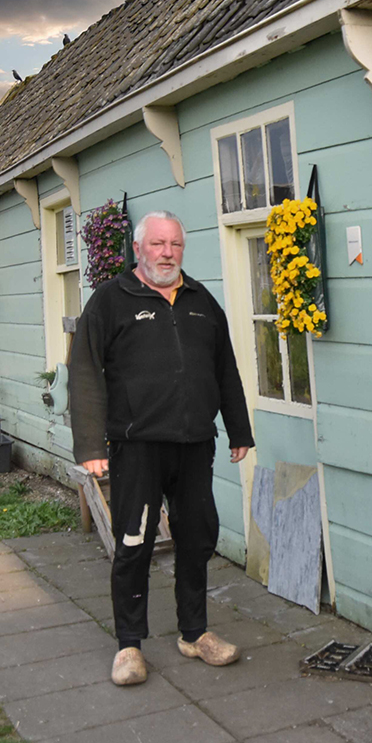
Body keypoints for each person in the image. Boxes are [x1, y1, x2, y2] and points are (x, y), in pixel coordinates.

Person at [68, 210, 255, 686]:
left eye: (175, 244)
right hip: (138, 447)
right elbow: (85, 373)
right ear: (138, 249)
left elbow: (225, 368)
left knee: (197, 538)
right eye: (157, 244)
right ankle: (129, 645)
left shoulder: (201, 300)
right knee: (135, 541)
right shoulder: (111, 301)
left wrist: (239, 430)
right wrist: (91, 443)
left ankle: (195, 633)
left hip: (195, 445)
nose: (167, 252)